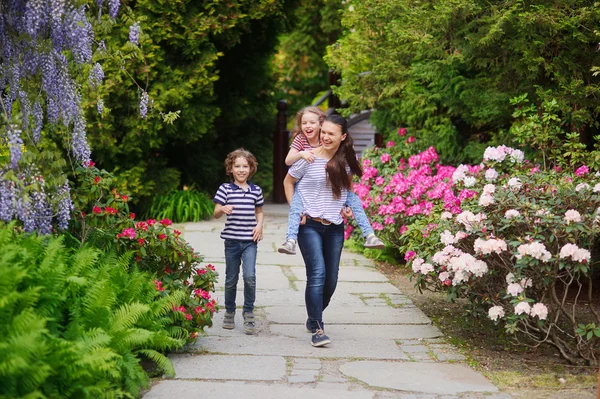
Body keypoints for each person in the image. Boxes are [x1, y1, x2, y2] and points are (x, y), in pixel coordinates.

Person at [283, 114, 361, 347]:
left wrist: (347, 207)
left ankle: (313, 314)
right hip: (310, 226)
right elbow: (288, 183)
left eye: (331, 133)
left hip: (335, 227)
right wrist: (297, 212)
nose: (325, 137)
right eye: (323, 132)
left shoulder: (347, 160)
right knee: (317, 274)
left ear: (342, 136)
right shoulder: (308, 158)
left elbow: (347, 187)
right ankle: (318, 327)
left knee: (332, 279)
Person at [278, 106, 384, 255]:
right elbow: (288, 163)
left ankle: (370, 235)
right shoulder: (302, 140)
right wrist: (302, 154)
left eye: (312, 123)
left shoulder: (331, 146)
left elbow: (347, 183)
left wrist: (346, 204)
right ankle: (290, 240)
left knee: (354, 200)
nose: (308, 126)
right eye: (304, 123)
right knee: (296, 206)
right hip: (304, 189)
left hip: (332, 207)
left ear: (321, 124)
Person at [213, 148, 264, 335]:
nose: (241, 170)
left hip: (250, 240)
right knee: (230, 279)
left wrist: (260, 226)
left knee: (250, 277)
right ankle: (229, 311)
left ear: (251, 169)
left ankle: (249, 312)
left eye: (245, 166)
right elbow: (216, 213)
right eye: (237, 166)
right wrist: (222, 209)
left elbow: (259, 211)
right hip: (232, 242)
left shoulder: (255, 190)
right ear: (231, 169)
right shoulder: (225, 189)